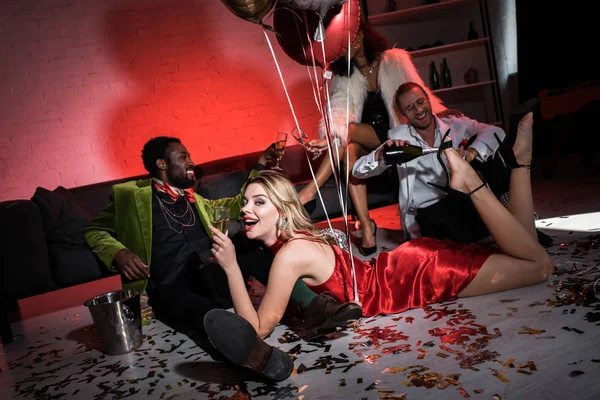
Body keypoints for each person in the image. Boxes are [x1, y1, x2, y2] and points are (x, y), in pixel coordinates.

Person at [202, 112, 553, 381]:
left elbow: (260, 328)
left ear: (282, 209)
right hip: (409, 265)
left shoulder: (289, 254)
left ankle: (471, 181)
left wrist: (231, 267)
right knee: (523, 250)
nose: (246, 209)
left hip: (422, 275)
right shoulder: (289, 244)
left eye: (259, 202)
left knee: (540, 267)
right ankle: (520, 161)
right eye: (246, 203)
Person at [83, 136, 362, 351]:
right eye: (183, 157)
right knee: (206, 317)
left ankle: (315, 308)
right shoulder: (130, 196)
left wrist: (262, 162)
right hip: (171, 285)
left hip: (212, 275)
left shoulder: (196, 200)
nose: (191, 162)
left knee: (248, 243)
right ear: (162, 164)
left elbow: (240, 202)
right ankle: (255, 356)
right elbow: (94, 231)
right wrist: (118, 252)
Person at [296, 22, 452, 255]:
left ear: (364, 36)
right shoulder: (343, 76)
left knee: (345, 133)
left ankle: (309, 192)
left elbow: (417, 91)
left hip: (396, 134)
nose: (353, 43)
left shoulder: (393, 61)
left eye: (355, 36)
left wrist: (442, 113)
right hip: (368, 140)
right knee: (347, 148)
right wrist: (332, 135)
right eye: (345, 41)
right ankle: (367, 226)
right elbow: (339, 112)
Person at [352, 81, 506, 242]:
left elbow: (496, 132)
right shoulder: (398, 136)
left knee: (493, 156)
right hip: (429, 210)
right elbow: (357, 171)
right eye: (410, 108)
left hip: (463, 200)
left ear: (428, 99)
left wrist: (471, 153)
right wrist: (381, 155)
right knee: (460, 236)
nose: (418, 111)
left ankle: (506, 210)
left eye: (420, 102)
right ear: (402, 114)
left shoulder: (453, 123)